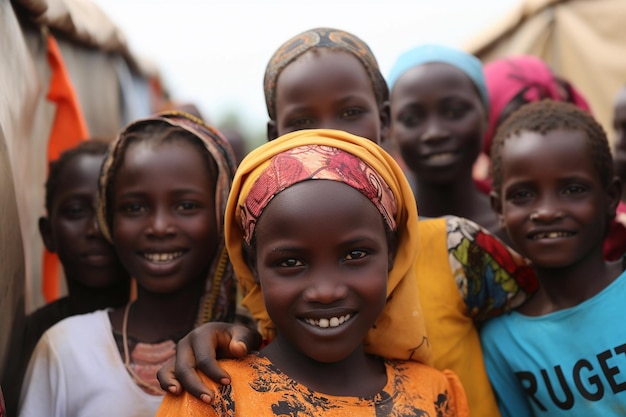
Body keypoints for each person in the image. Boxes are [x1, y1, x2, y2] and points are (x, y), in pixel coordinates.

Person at [157, 28, 538, 417]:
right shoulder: (233, 372)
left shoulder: (456, 247)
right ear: (275, 138)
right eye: (303, 121)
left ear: (384, 121)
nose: (332, 134)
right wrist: (223, 335)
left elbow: (545, 320)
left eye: (351, 113)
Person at [157, 128, 469, 416]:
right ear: (253, 268)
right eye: (291, 262)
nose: (325, 290)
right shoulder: (213, 398)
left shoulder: (434, 394)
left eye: (354, 255)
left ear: (392, 256)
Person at [18, 112, 239, 417]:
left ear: (222, 213)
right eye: (135, 207)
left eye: (186, 206)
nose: (159, 226)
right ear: (110, 221)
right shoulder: (67, 349)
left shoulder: (250, 348)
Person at [480, 100, 625, 416]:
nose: (546, 212)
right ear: (498, 210)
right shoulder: (503, 341)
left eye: (573, 189)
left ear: (611, 197)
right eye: (523, 195)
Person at [2, 139, 131, 416]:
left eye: (109, 210)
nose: (95, 228)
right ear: (48, 233)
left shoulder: (180, 335)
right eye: (76, 211)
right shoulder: (25, 342)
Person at [386, 44, 504, 239]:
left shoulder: (518, 229)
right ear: (389, 130)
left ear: (486, 116)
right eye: (411, 119)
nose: (435, 133)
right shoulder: (382, 235)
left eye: (455, 112)